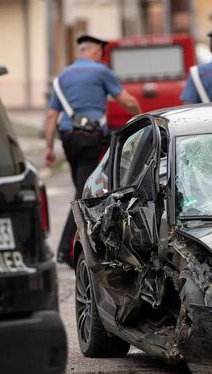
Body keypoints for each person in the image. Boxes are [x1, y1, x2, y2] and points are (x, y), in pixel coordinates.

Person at [45, 34, 141, 263]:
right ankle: (66, 250)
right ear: (95, 51)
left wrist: (49, 148)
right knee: (84, 194)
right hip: (90, 139)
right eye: (100, 51)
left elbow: (51, 115)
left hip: (68, 138)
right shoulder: (101, 71)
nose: (101, 55)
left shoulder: (63, 76)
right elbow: (127, 101)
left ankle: (73, 246)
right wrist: (140, 115)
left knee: (80, 188)